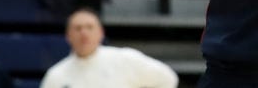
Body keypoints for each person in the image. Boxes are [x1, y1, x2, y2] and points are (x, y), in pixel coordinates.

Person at [40, 8, 178, 88]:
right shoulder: (56, 75)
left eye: (89, 27)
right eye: (78, 28)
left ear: (100, 33)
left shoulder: (125, 59)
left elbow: (168, 79)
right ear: (68, 35)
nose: (84, 33)